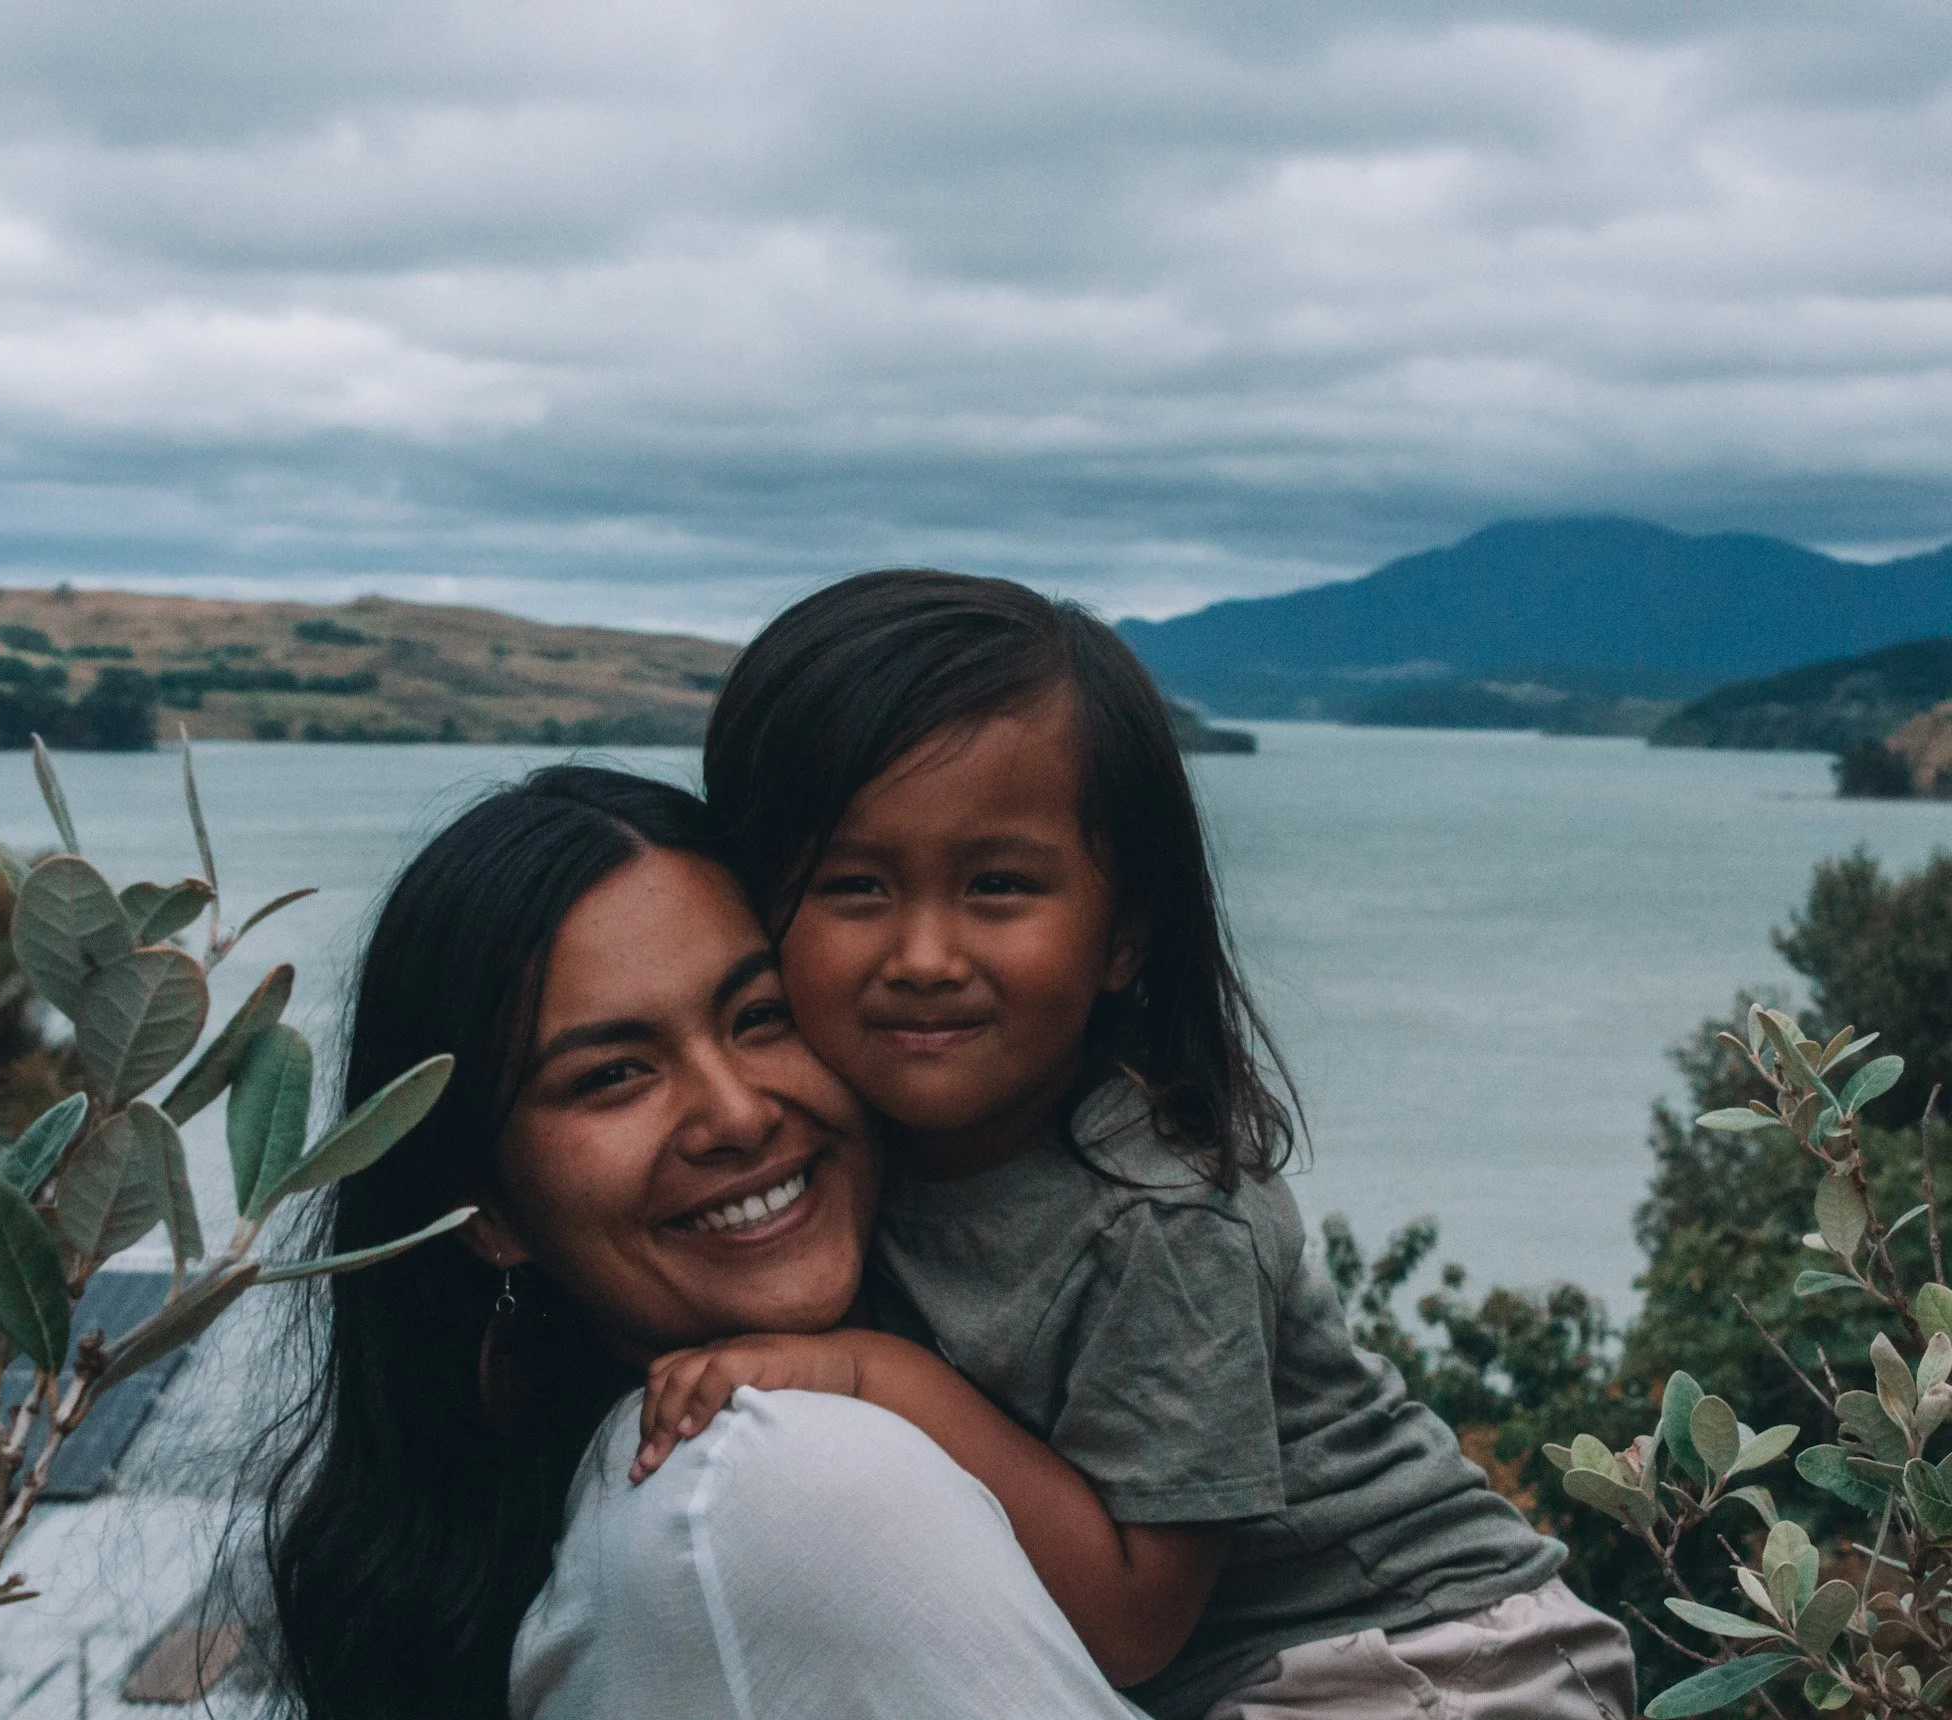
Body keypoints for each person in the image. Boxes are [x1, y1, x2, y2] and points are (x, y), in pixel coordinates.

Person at [642, 570, 1638, 1719]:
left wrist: (874, 1376)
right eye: (852, 884)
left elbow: (1131, 1622)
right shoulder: (836, 1156)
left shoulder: (1158, 1214)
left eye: (996, 885)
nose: (922, 956)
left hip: (1431, 1660)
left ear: (1122, 935)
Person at [262, 765, 1150, 1720]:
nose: (737, 1114)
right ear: (483, 1211)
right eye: (613, 1075)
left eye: (761, 1016)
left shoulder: (593, 1512)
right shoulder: (776, 1480)